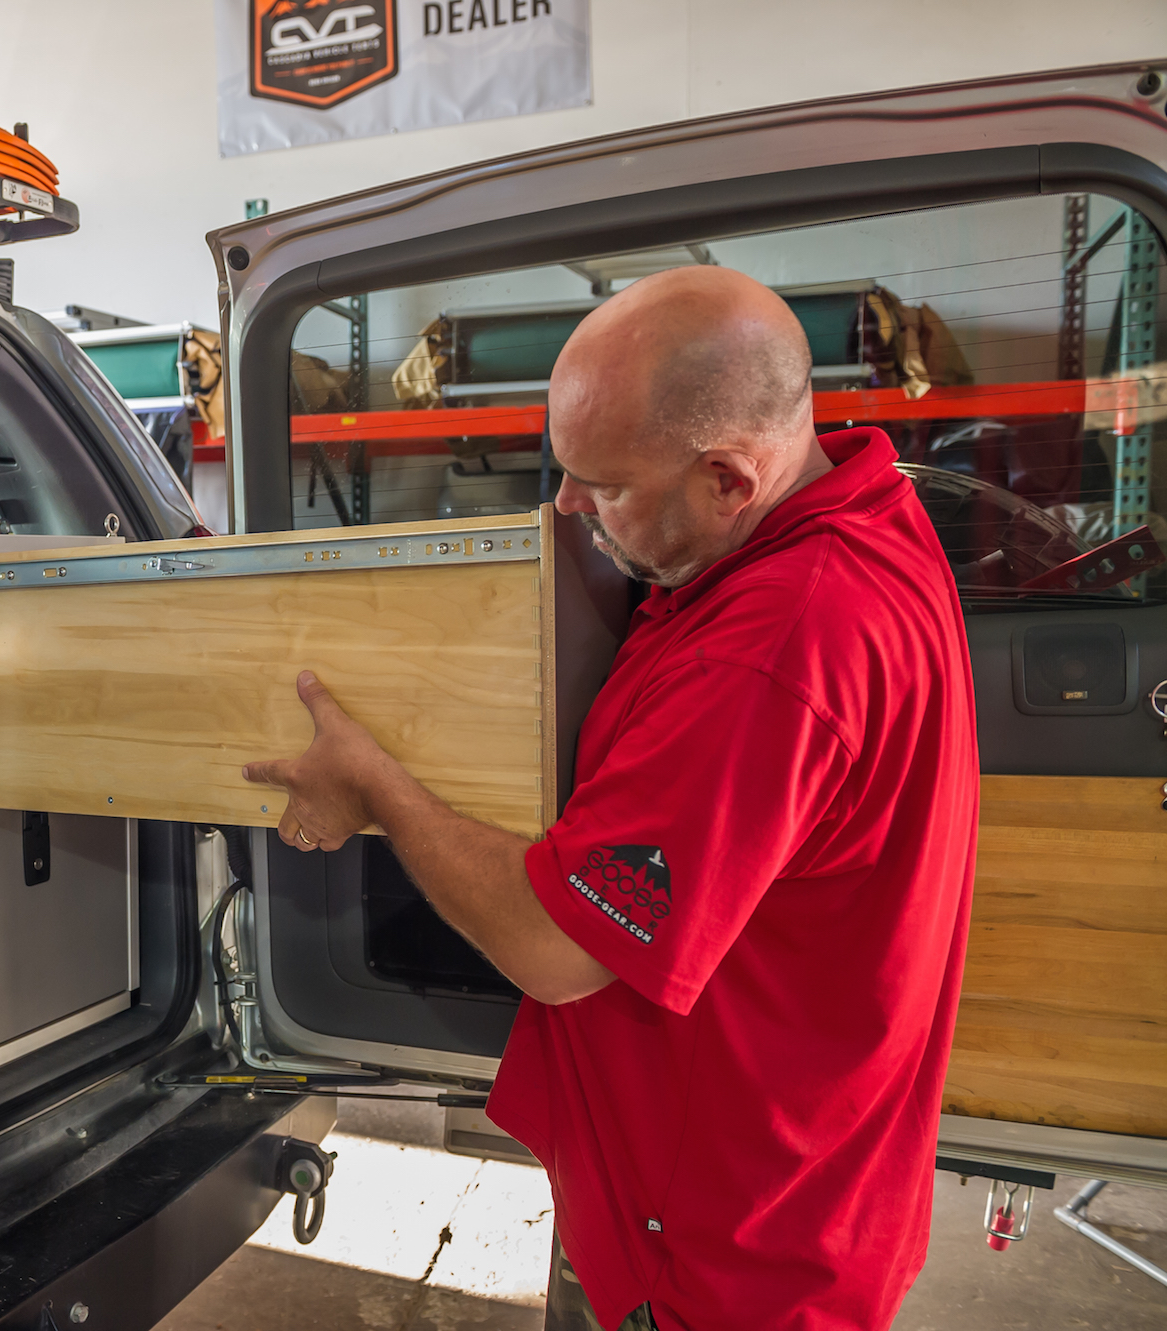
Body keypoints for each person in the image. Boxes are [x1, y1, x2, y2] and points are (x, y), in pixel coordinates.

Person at [243, 266, 979, 1330]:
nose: (565, 507)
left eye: (603, 483)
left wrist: (377, 788)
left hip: (720, 1259)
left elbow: (556, 942)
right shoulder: (826, 524)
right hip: (764, 1187)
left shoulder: (776, 643)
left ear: (728, 476)